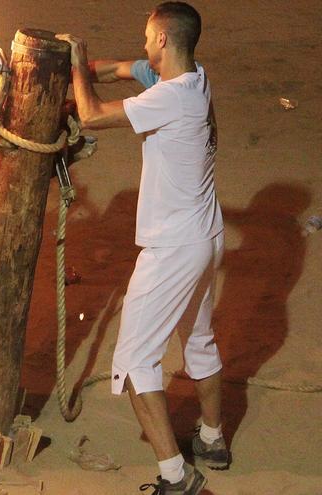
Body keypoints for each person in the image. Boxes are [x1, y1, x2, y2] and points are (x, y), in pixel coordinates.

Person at [56, 2, 230, 494]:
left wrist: (74, 65)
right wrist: (69, 61)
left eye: (147, 39)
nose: (143, 47)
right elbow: (114, 71)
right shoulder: (194, 77)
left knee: (134, 361)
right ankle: (213, 440)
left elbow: (90, 115)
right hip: (205, 237)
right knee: (198, 340)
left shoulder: (171, 98)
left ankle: (177, 476)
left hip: (173, 249)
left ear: (163, 40)